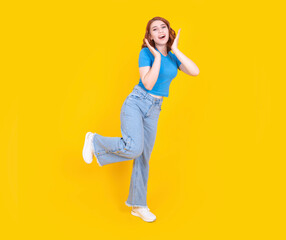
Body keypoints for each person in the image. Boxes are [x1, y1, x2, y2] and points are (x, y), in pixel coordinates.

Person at [82, 16, 199, 223]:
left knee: (143, 157)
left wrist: (176, 49)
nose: (160, 30)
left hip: (154, 109)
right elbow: (148, 82)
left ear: (169, 31)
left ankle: (138, 205)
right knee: (134, 148)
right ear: (150, 36)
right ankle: (94, 141)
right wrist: (157, 57)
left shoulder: (173, 58)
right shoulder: (146, 54)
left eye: (163, 27)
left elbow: (195, 71)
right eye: (155, 29)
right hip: (136, 103)